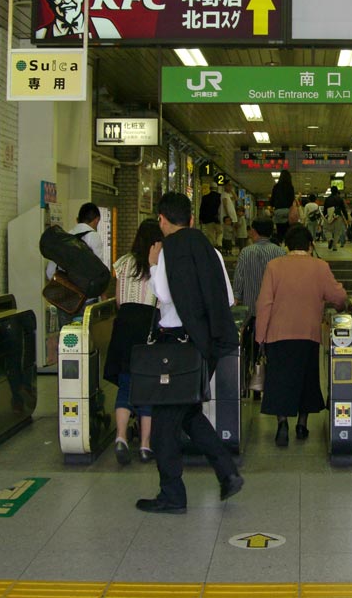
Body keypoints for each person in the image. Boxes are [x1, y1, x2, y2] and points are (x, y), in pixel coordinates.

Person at [137, 191, 243, 514]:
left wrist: (155, 265)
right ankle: (227, 473)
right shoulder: (211, 251)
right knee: (189, 413)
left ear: (162, 220)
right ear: (192, 220)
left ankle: (172, 494)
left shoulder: (168, 250)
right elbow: (227, 299)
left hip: (177, 347)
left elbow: (165, 296)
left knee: (164, 426)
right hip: (205, 346)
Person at [255, 224, 347, 445]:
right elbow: (338, 297)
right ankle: (302, 425)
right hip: (308, 334)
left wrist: (260, 337)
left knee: (280, 380)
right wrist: (341, 296)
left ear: (286, 245)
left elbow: (264, 303)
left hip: (278, 335)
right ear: (310, 244)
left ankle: (282, 424)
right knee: (306, 379)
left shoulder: (274, 266)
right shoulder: (320, 266)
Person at [104, 219, 162, 465]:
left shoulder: (124, 262)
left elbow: (118, 300)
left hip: (124, 325)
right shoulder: (158, 264)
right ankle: (146, 446)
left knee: (126, 383)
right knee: (147, 386)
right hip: (147, 324)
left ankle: (120, 437)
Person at [45, 202, 104, 327]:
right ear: (97, 220)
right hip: (86, 300)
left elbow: (50, 271)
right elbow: (98, 272)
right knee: (84, 341)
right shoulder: (94, 237)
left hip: (65, 301)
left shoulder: (65, 237)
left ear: (78, 219)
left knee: (67, 340)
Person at [233, 217, 286, 319]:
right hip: (274, 309)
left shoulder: (246, 252)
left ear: (253, 231)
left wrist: (236, 297)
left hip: (251, 309)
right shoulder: (280, 252)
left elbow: (239, 278)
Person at [270, 169, 297, 244]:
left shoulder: (276, 187)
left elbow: (272, 201)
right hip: (287, 211)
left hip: (278, 211)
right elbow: (292, 200)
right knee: (288, 233)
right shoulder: (290, 187)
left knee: (280, 232)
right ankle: (287, 248)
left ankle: (279, 248)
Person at [323, 185, 348, 251]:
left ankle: (330, 239)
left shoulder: (327, 199)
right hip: (338, 216)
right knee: (337, 232)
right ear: (337, 191)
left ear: (331, 191)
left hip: (329, 215)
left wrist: (325, 216)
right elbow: (343, 209)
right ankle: (334, 247)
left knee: (326, 229)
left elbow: (325, 209)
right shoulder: (340, 199)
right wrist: (346, 218)